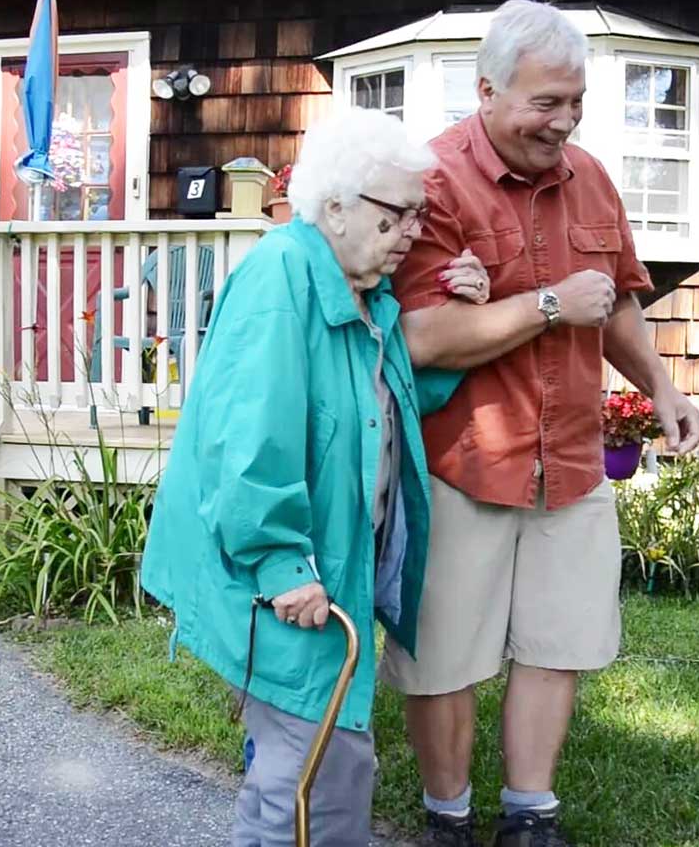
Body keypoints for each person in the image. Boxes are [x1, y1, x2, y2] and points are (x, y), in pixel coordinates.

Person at [381, 0, 699, 847]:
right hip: (462, 458)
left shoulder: (590, 177)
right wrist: (551, 305)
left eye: (575, 104)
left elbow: (620, 302)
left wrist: (662, 389)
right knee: (445, 653)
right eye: (544, 103)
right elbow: (421, 337)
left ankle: (530, 813)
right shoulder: (434, 180)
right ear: (487, 90)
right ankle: (447, 816)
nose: (562, 123)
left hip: (570, 456)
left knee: (555, 642)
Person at [140, 107, 491, 847]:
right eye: (396, 215)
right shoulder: (282, 276)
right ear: (333, 206)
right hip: (288, 574)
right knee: (315, 776)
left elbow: (389, 404)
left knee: (304, 761)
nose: (412, 235)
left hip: (330, 566)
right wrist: (279, 561)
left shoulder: (361, 294)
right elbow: (249, 435)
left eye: (418, 217)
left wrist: (465, 314)